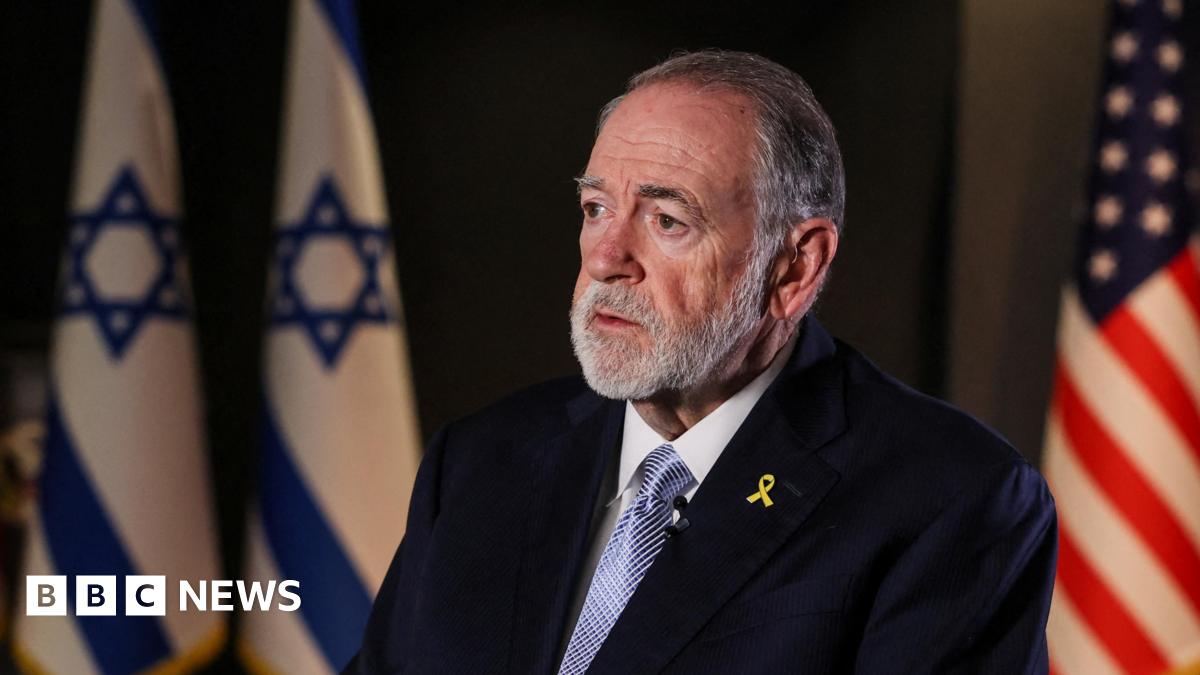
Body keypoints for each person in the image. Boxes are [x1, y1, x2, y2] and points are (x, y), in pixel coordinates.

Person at [346, 49, 1056, 674]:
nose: (605, 258)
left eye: (666, 220)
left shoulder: (952, 501)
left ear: (794, 267)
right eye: (596, 209)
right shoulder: (478, 463)